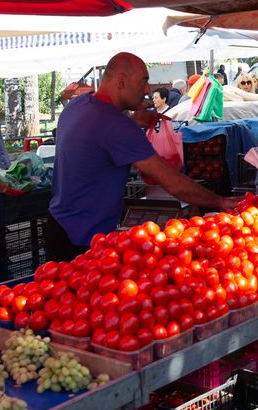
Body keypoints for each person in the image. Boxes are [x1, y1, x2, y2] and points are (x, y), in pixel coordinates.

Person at [47, 52, 236, 261]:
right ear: (121, 81)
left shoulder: (78, 105)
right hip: (84, 239)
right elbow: (172, 183)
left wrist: (132, 121)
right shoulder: (116, 125)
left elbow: (98, 134)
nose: (147, 89)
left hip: (58, 224)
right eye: (143, 81)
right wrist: (220, 201)